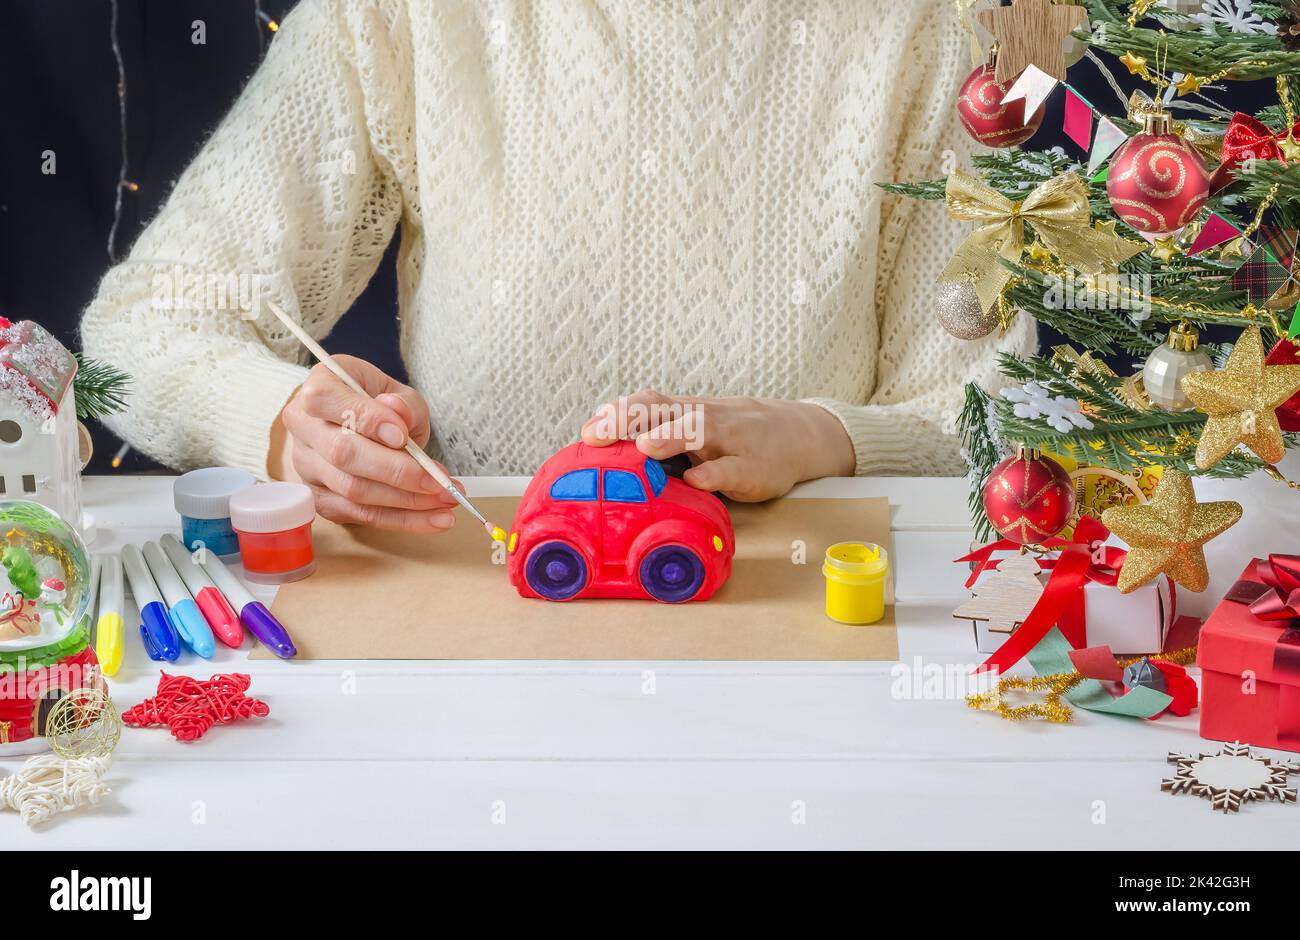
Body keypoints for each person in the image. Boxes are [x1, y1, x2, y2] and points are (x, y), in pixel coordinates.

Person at [81, 0, 1034, 532]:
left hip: (810, 645)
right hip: (483, 637)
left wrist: (819, 436)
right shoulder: (398, 18)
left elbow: (995, 415)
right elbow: (141, 327)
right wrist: (285, 425)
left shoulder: (921, 30)